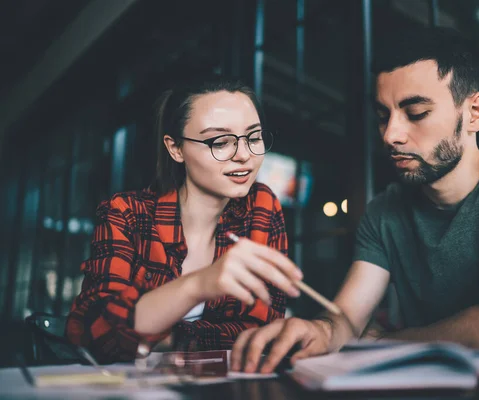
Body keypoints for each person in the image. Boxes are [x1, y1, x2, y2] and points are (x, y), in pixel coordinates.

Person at [231, 26, 479, 373]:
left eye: (416, 113)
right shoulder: (384, 211)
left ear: (474, 113)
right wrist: (320, 331)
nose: (391, 135)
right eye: (382, 116)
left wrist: (382, 343)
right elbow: (346, 318)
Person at [66, 78, 303, 363]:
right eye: (220, 141)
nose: (244, 156)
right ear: (176, 148)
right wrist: (199, 284)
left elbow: (260, 333)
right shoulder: (127, 213)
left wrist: (167, 336)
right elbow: (97, 333)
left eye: (253, 138)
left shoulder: (261, 206)